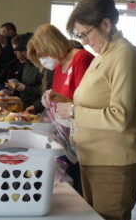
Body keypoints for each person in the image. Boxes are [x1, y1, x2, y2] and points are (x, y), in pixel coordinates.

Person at [55, 0, 136, 220]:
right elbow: (94, 102)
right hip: (93, 157)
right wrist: (63, 101)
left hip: (114, 163)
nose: (84, 41)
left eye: (86, 34)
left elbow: (120, 116)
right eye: (80, 35)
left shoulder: (125, 56)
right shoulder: (105, 55)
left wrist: (75, 111)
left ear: (106, 24)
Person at [27, 24, 94, 194]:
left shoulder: (81, 59)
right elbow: (60, 97)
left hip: (83, 140)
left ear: (53, 46)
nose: (43, 61)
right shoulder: (58, 66)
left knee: (79, 192)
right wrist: (51, 99)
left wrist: (63, 101)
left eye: (43, 55)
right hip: (65, 138)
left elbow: (89, 103)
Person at [8, 33, 42, 108]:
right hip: (24, 105)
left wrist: (25, 88)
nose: (24, 53)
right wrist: (16, 85)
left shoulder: (42, 66)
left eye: (25, 50)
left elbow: (44, 91)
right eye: (22, 50)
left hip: (36, 107)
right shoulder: (27, 63)